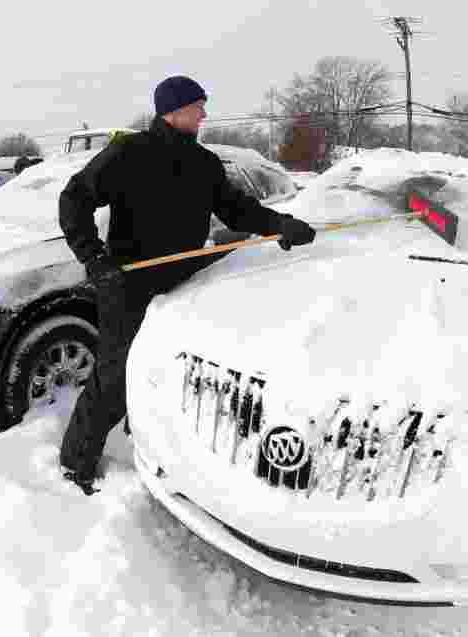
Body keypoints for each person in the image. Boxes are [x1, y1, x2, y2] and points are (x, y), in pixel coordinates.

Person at [57, 75, 317, 495]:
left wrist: (279, 225)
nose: (204, 114)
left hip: (183, 281)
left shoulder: (204, 164)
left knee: (166, 372)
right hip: (126, 282)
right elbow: (74, 199)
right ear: (173, 110)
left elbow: (236, 210)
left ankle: (154, 444)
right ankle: (76, 463)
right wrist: (94, 259)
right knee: (115, 378)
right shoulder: (129, 153)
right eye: (198, 106)